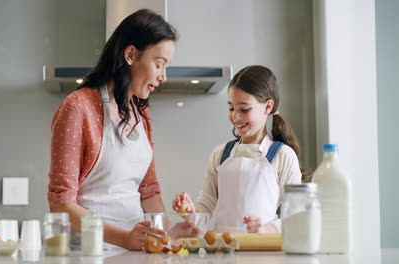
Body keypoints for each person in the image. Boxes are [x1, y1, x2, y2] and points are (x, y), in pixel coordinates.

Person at [47, 9, 178, 250]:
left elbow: (148, 191)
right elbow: (61, 202)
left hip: (137, 251)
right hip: (92, 251)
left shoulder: (142, 115)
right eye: (159, 64)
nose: (164, 77)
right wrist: (124, 239)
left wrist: (167, 233)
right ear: (130, 55)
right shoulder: (78, 107)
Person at [173, 65, 306, 234]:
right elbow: (206, 204)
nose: (235, 116)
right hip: (222, 249)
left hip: (261, 252)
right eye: (231, 108)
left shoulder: (283, 155)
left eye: (244, 109)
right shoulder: (220, 154)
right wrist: (191, 212)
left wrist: (267, 229)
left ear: (267, 107)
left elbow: (296, 214)